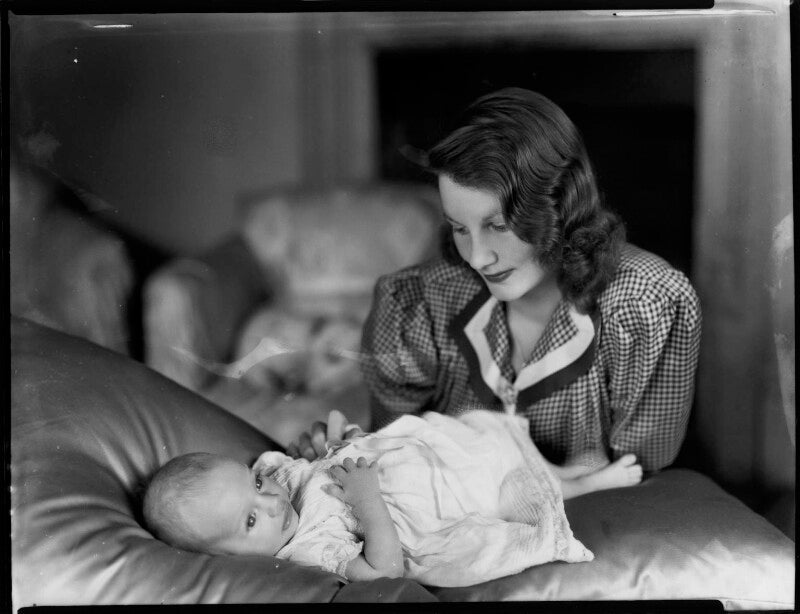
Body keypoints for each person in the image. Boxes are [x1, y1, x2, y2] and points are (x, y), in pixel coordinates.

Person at [290, 87, 701, 474]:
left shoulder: (644, 303)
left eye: (499, 226)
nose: (477, 257)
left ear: (562, 204)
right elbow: (396, 466)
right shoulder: (415, 304)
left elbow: (637, 480)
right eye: (459, 228)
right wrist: (346, 454)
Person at [143, 410, 642, 586]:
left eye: (255, 485)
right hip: (413, 510)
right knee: (484, 483)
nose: (271, 501)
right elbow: (384, 570)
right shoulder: (306, 553)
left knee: (474, 439)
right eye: (251, 521)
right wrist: (367, 502)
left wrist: (333, 445)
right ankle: (576, 488)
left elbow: (305, 463)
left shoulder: (275, 482)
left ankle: (560, 472)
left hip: (402, 464)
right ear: (230, 560)